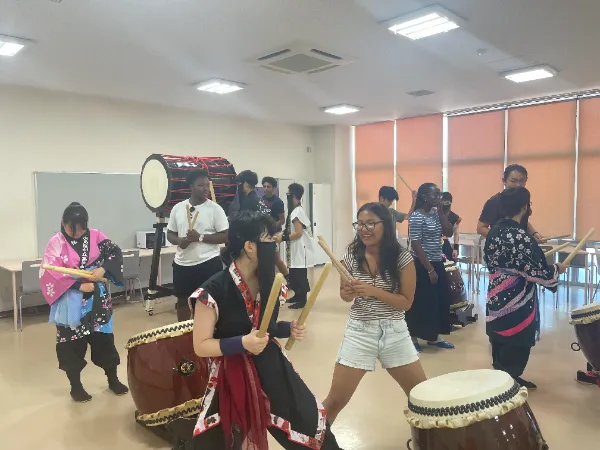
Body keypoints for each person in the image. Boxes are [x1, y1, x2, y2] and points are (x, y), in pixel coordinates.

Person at [188, 211, 342, 449]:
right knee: (223, 439)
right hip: (231, 371)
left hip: (269, 362)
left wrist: (287, 328)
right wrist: (242, 343)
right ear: (250, 246)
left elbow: (264, 325)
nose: (274, 245)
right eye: (270, 240)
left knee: (308, 422)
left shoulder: (270, 282)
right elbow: (201, 346)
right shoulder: (213, 291)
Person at [322, 202, 426, 424]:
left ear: (385, 225)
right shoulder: (351, 254)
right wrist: (347, 292)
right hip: (360, 330)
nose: (364, 229)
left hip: (394, 331)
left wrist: (373, 291)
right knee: (335, 400)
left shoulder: (402, 257)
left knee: (422, 396)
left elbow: (406, 302)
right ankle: (313, 439)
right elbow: (345, 295)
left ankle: (431, 439)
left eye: (370, 223)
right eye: (360, 224)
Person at [39, 202, 128, 403]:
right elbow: (49, 272)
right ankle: (76, 386)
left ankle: (113, 379)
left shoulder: (96, 236)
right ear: (63, 223)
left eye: (81, 229)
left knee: (104, 339)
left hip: (97, 298)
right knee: (72, 344)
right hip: (70, 300)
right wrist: (78, 286)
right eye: (72, 229)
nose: (77, 233)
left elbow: (115, 253)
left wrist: (103, 269)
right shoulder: (56, 242)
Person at [484, 187, 565, 389]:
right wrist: (557, 269)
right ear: (524, 207)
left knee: (499, 335)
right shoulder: (521, 237)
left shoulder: (494, 231)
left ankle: (502, 375)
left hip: (495, 292)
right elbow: (539, 272)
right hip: (517, 296)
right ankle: (509, 380)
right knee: (516, 338)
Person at [167, 170, 229, 321]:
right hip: (182, 264)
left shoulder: (215, 209)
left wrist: (200, 237)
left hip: (208, 263)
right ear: (191, 187)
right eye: (201, 185)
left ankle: (205, 332)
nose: (206, 188)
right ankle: (183, 332)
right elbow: (170, 234)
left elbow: (226, 235)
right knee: (182, 301)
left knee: (206, 303)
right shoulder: (178, 208)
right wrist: (179, 241)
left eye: (207, 185)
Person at [405, 183, 455, 352]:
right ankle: (413, 337)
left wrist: (440, 211)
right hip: (422, 264)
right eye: (435, 195)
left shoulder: (435, 214)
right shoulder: (416, 216)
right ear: (424, 196)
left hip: (437, 261)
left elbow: (449, 232)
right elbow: (416, 243)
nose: (438, 198)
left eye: (439, 195)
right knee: (421, 301)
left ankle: (434, 337)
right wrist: (429, 269)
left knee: (438, 300)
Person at [477, 164, 543, 242]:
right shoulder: (494, 202)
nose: (518, 185)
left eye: (522, 181)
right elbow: (480, 228)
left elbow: (522, 220)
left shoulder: (523, 199)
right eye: (513, 181)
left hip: (521, 245)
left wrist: (534, 233)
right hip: (501, 246)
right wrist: (505, 239)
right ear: (504, 181)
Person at [274, 183, 314, 310]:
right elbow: (290, 229)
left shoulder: (297, 212)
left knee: (299, 274)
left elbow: (298, 233)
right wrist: (282, 234)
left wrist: (283, 238)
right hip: (294, 248)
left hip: (300, 248)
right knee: (294, 273)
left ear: (294, 196)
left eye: (289, 195)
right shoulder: (295, 211)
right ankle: (297, 295)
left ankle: (302, 299)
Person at [262, 176, 291, 280]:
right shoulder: (261, 200)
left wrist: (272, 227)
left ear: (273, 188)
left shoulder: (278, 202)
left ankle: (288, 278)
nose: (266, 189)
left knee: (276, 259)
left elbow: (282, 220)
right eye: (264, 186)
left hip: (274, 234)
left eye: (268, 186)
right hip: (263, 234)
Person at [440, 192, 461, 261]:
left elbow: (456, 233)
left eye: (446, 201)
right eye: (443, 201)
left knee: (451, 263)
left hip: (444, 244)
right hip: (432, 244)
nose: (444, 203)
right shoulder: (433, 214)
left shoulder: (454, 218)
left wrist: (455, 249)